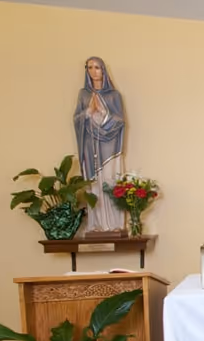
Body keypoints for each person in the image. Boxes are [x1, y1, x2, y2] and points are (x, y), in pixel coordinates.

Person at [73, 56, 125, 233]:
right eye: (89, 67)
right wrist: (88, 112)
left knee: (110, 181)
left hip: (109, 148)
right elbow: (77, 119)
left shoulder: (114, 96)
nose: (93, 71)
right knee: (94, 185)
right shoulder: (84, 94)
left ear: (103, 70)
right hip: (90, 145)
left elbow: (120, 122)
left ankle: (114, 223)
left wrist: (103, 112)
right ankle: (96, 224)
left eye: (97, 67)